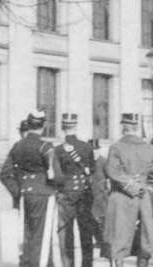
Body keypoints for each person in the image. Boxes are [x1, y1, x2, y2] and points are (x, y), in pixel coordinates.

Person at [0, 110, 61, 267]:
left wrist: (18, 191)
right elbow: (58, 176)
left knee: (26, 236)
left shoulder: (17, 146)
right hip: (43, 195)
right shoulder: (45, 147)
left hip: (24, 195)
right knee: (42, 237)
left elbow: (5, 174)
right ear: (43, 126)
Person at [104, 113, 153, 267]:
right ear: (138, 128)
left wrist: (131, 186)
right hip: (143, 195)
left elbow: (112, 171)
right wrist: (146, 188)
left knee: (118, 234)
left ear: (123, 127)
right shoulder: (150, 148)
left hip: (121, 195)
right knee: (146, 234)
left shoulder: (116, 147)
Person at [55, 113, 96, 267]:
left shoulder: (58, 150)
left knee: (65, 233)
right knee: (86, 232)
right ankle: (87, 264)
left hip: (66, 194)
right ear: (76, 126)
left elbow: (56, 176)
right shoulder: (86, 147)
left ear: (62, 127)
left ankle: (68, 264)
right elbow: (92, 170)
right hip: (84, 193)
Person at [89, 139, 111, 259]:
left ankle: (105, 248)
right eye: (92, 150)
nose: (94, 152)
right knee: (92, 222)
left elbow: (109, 177)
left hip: (101, 196)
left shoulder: (103, 161)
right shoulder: (87, 161)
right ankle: (99, 242)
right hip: (90, 196)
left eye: (95, 150)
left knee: (103, 223)